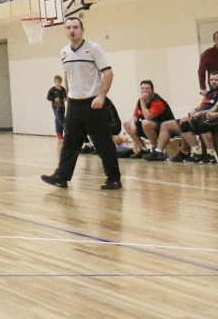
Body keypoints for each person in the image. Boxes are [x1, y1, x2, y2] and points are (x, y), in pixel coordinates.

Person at [42, 16, 122, 191]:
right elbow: (68, 74)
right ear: (65, 31)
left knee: (103, 144)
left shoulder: (93, 49)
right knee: (70, 142)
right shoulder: (64, 52)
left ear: (82, 30)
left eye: (75, 27)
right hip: (74, 104)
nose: (72, 30)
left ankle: (114, 179)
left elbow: (108, 73)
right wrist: (68, 95)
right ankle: (61, 176)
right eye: (68, 27)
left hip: (93, 104)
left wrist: (101, 96)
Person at [122, 80, 175, 160]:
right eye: (142, 88)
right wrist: (133, 122)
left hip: (164, 129)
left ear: (152, 90)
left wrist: (142, 101)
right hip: (150, 128)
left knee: (145, 123)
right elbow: (135, 115)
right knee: (127, 123)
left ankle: (156, 151)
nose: (144, 91)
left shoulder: (158, 102)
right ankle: (144, 149)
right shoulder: (140, 102)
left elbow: (148, 117)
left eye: (147, 89)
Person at [45, 75, 67, 152]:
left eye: (59, 82)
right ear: (55, 82)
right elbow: (48, 97)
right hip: (55, 107)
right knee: (59, 118)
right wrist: (54, 99)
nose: (58, 84)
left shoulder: (63, 89)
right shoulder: (52, 90)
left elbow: (65, 97)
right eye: (57, 82)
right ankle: (61, 131)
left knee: (60, 118)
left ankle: (61, 133)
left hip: (62, 106)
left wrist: (64, 99)